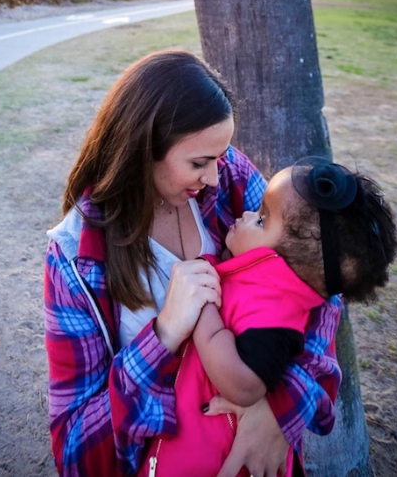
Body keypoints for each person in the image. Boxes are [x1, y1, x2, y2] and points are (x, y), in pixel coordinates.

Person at [43, 50, 343, 477]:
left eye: (219, 158)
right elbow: (75, 452)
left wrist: (279, 409)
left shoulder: (229, 173)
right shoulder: (75, 259)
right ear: (143, 148)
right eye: (199, 163)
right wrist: (163, 334)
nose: (216, 177)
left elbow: (318, 285)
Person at [137, 158, 397, 477]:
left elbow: (245, 386)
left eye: (261, 220)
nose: (245, 214)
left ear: (283, 262)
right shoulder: (261, 285)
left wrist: (203, 311)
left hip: (216, 460)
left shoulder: (275, 310)